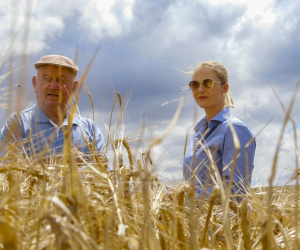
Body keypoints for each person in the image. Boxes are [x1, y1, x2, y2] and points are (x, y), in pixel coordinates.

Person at [0, 54, 106, 160]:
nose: (53, 86)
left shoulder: (91, 130)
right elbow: (7, 170)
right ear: (35, 83)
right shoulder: (18, 124)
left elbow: (106, 172)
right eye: (46, 79)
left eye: (60, 80)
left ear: (74, 87)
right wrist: (57, 162)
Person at [183, 61, 255, 200]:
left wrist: (188, 196)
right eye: (195, 84)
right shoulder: (198, 133)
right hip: (196, 220)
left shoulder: (235, 129)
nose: (200, 90)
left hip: (226, 221)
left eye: (208, 83)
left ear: (225, 88)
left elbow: (236, 192)